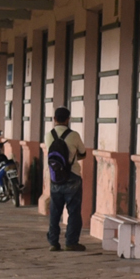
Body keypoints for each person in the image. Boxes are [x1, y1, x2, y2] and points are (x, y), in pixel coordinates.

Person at [46, 105, 87, 252]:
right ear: (68, 119)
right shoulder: (74, 135)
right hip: (73, 177)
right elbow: (83, 153)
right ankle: (71, 242)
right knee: (74, 211)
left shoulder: (48, 135)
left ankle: (53, 242)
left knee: (55, 211)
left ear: (54, 119)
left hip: (55, 177)